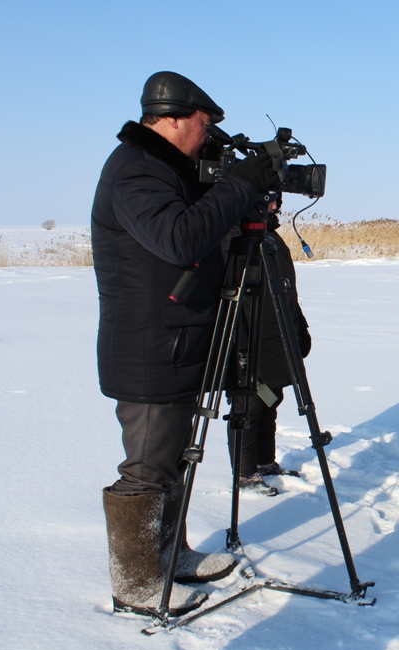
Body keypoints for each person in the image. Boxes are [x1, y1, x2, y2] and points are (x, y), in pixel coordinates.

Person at [91, 71, 281, 616]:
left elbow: (202, 227)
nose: (207, 135)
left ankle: (170, 554)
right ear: (172, 118)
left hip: (179, 340)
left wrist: (238, 192)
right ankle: (136, 585)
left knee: (174, 457)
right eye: (203, 125)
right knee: (148, 467)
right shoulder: (134, 170)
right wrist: (237, 185)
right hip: (149, 348)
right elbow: (178, 239)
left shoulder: (165, 170)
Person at [225, 205, 312, 497]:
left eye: (276, 199)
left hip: (275, 333)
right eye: (267, 199)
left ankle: (264, 462)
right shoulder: (232, 234)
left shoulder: (271, 235)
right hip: (246, 336)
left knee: (270, 398)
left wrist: (298, 327)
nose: (275, 205)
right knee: (247, 403)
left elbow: (287, 288)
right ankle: (244, 473)